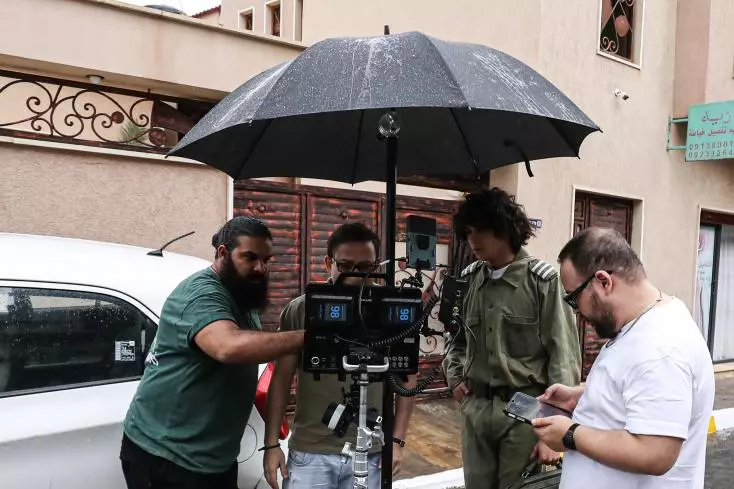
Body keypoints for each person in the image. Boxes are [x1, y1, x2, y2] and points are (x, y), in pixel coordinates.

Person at [119, 216, 305, 489]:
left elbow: (252, 344)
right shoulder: (200, 294)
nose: (261, 268)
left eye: (266, 260)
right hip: (167, 458)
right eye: (250, 257)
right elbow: (228, 347)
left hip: (214, 460)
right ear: (223, 253)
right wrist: (310, 337)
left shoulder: (241, 292)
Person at [532, 227, 715, 489]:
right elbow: (638, 393)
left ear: (604, 282)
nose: (575, 311)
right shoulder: (642, 324)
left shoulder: (660, 348)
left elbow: (655, 452)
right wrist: (582, 396)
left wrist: (570, 434)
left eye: (573, 298)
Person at [443, 187, 582, 489]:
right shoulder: (469, 280)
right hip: (477, 408)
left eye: (481, 230)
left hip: (527, 412)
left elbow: (563, 357)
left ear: (504, 229)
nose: (473, 239)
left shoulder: (542, 282)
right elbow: (455, 338)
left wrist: (553, 431)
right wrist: (454, 377)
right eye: (468, 231)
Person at [263, 223, 417, 489]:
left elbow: (408, 378)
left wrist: (397, 441)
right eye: (345, 265)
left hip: (371, 453)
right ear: (328, 263)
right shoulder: (300, 310)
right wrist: (271, 444)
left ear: (376, 266)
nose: (355, 276)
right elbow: (281, 379)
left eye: (365, 267)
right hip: (311, 452)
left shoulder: (391, 308)